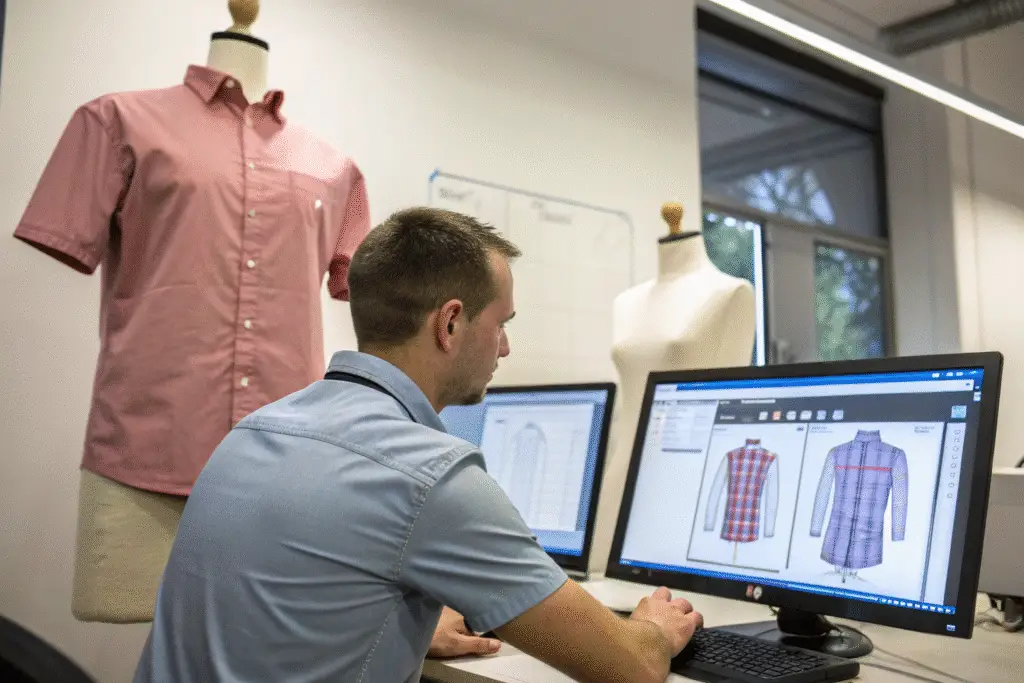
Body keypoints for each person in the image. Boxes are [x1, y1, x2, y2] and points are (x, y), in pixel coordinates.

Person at [132, 207, 703, 683]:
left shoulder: (252, 432)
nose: (504, 348)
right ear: (449, 324)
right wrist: (653, 628)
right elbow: (629, 669)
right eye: (501, 323)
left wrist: (399, 623)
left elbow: (266, 617)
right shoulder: (429, 476)